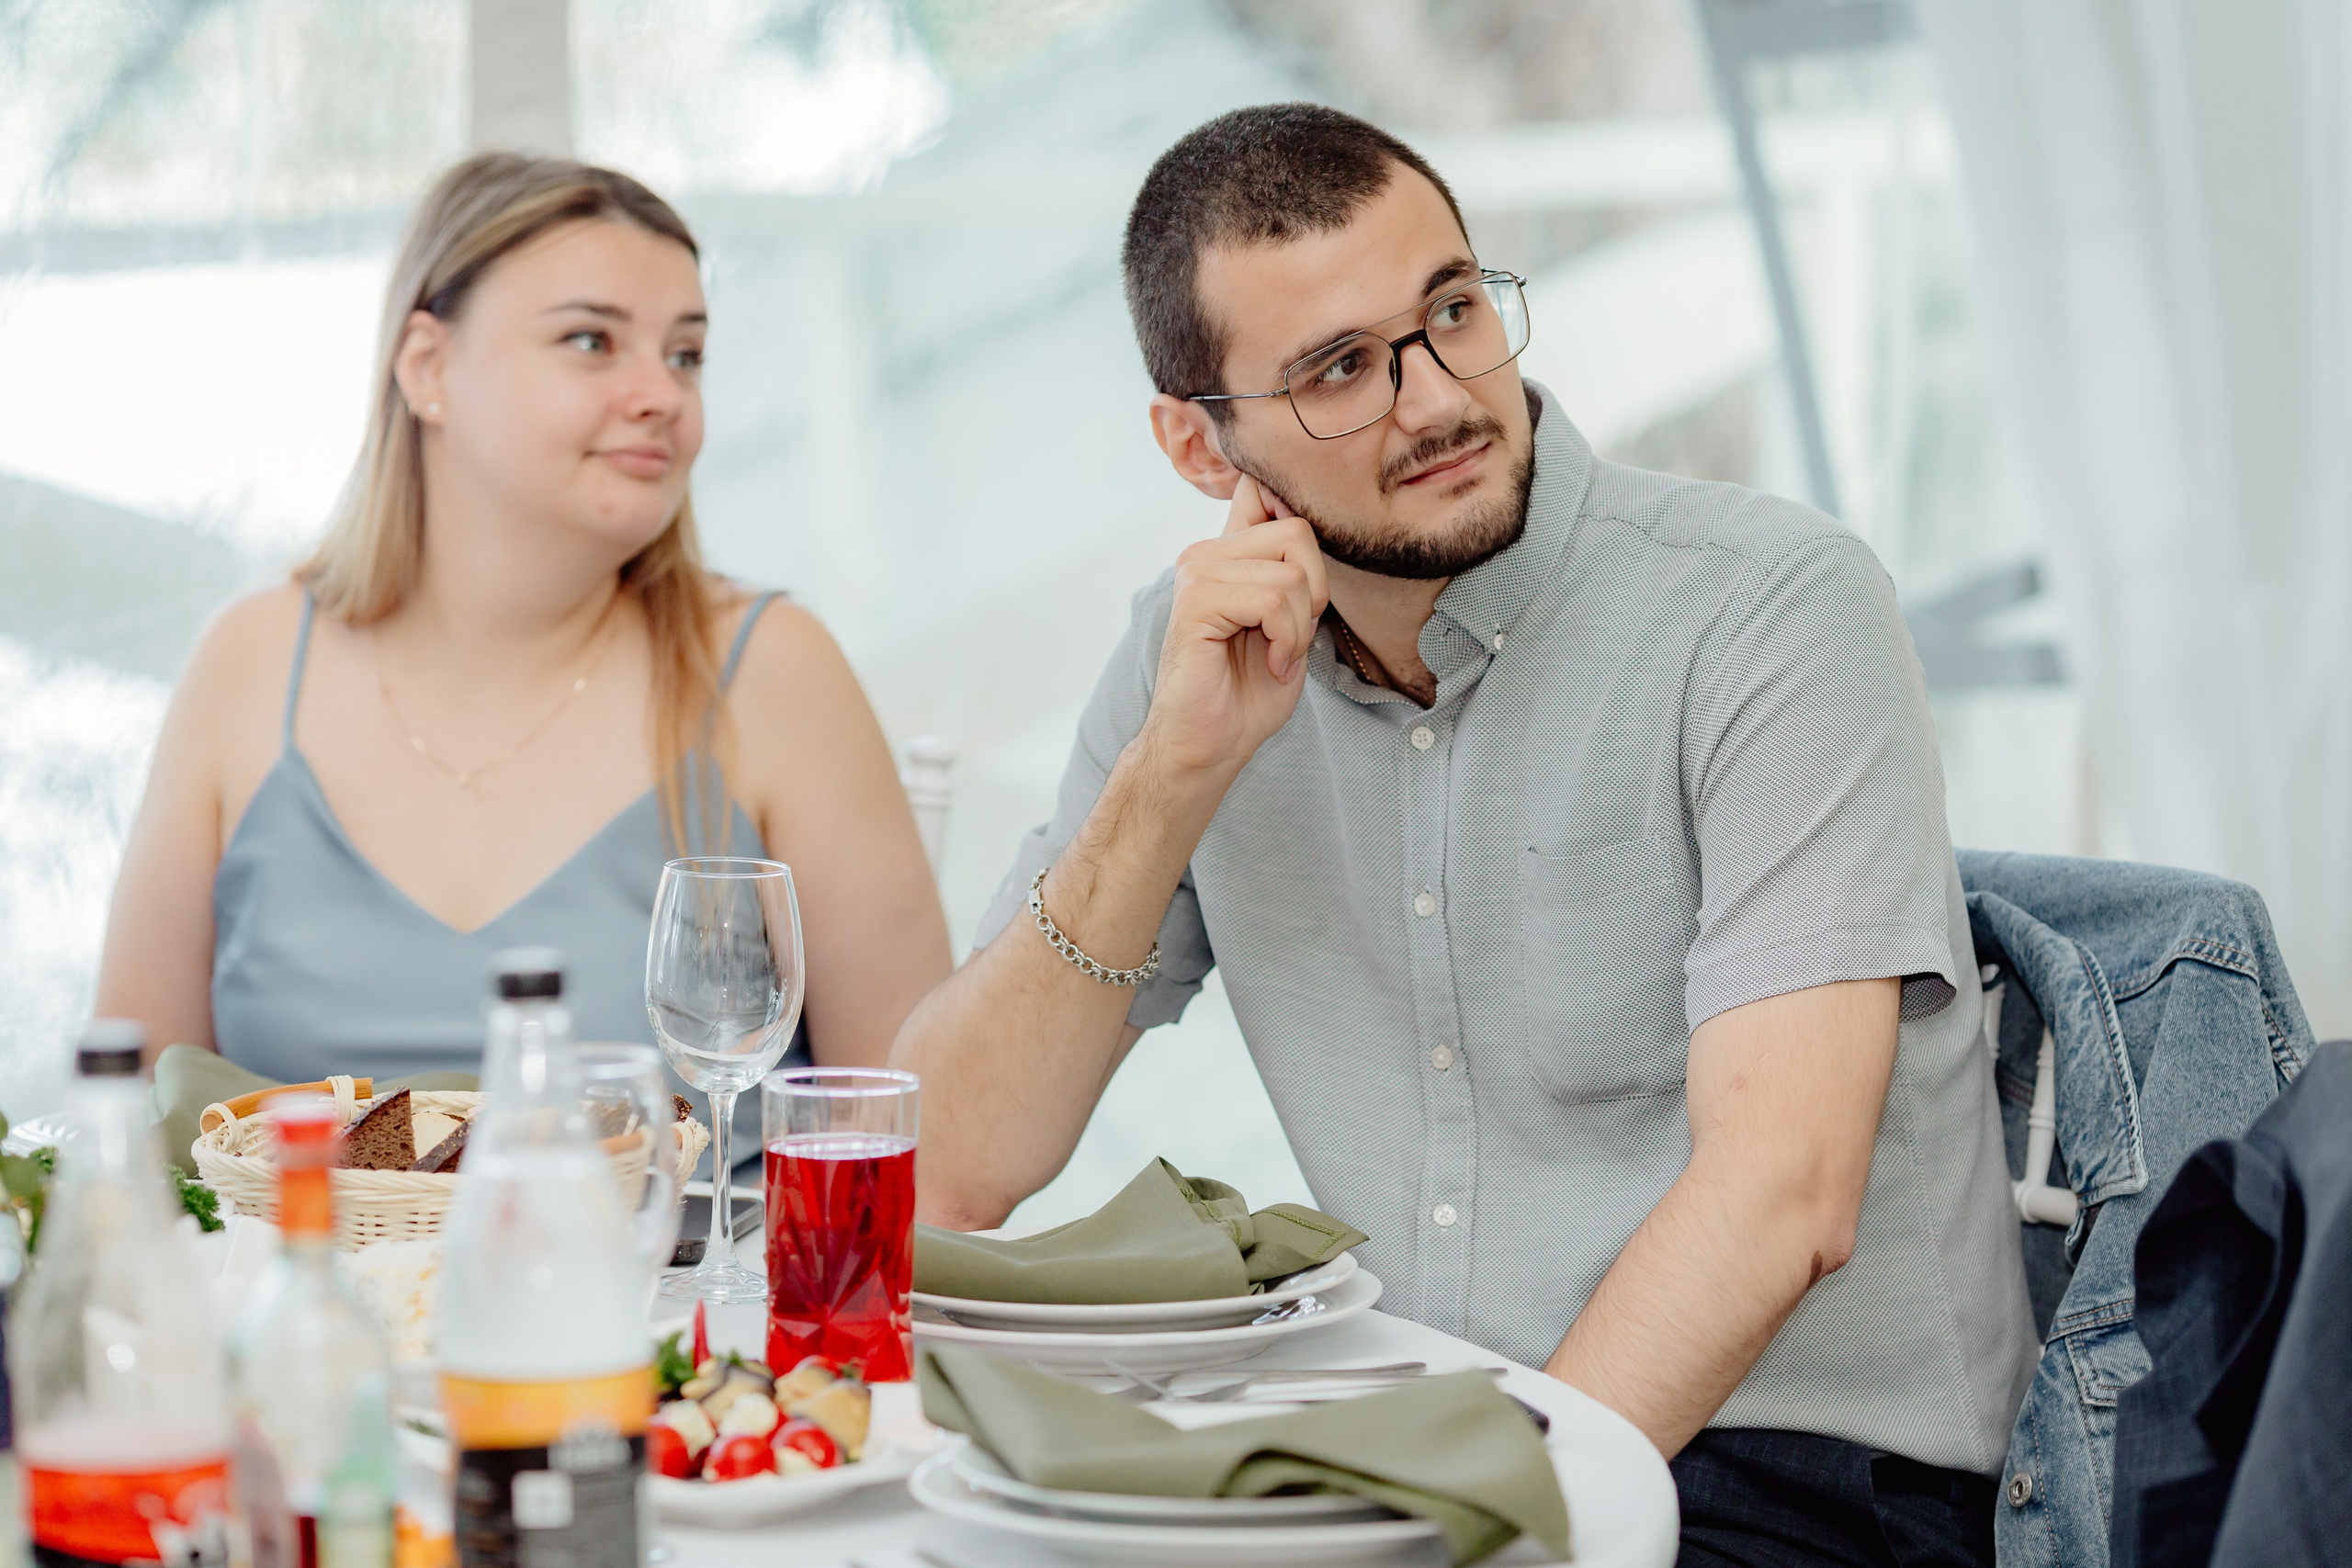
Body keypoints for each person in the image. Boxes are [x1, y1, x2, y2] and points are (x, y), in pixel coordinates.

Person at [892, 105, 2035, 1565]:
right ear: (1198, 441)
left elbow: (1780, 1199)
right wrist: (1165, 787)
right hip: (1424, 1445)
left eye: (1451, 312)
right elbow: (941, 1171)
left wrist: (1470, 1526)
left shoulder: (1771, 610)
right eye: (1340, 370)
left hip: (1795, 1483)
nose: (1434, 399)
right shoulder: (1194, 659)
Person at [97, 152, 950, 1110]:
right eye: (592, 341)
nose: (661, 395)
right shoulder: (248, 663)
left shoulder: (773, 670)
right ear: (429, 369)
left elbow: (912, 1140)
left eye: (685, 355)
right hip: (302, 1260)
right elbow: (130, 1119)